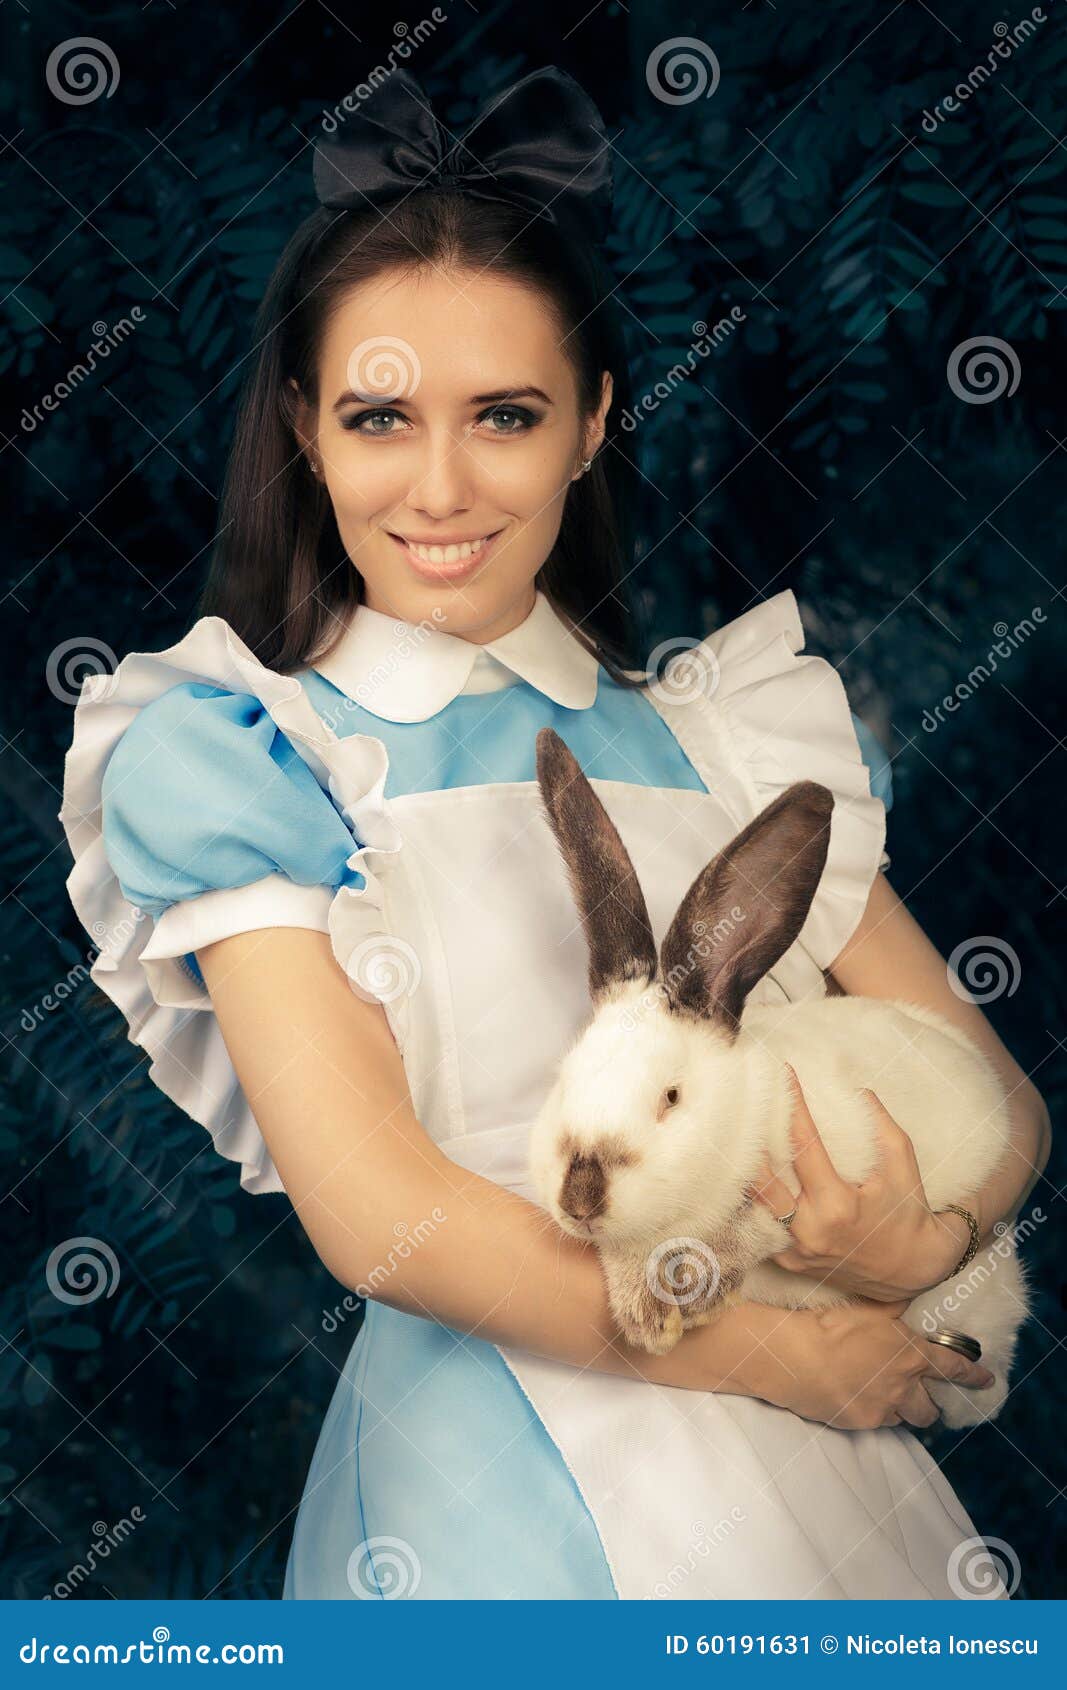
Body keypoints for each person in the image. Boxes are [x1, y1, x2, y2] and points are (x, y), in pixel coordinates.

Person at [59, 67, 1050, 1601]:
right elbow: (382, 1215)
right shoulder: (241, 751)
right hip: (493, 1497)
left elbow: (997, 1093)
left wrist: (918, 1240)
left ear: (591, 422)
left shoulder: (723, 737)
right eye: (381, 417)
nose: (440, 487)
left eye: (504, 416)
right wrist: (779, 1353)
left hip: (831, 1454)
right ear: (304, 434)